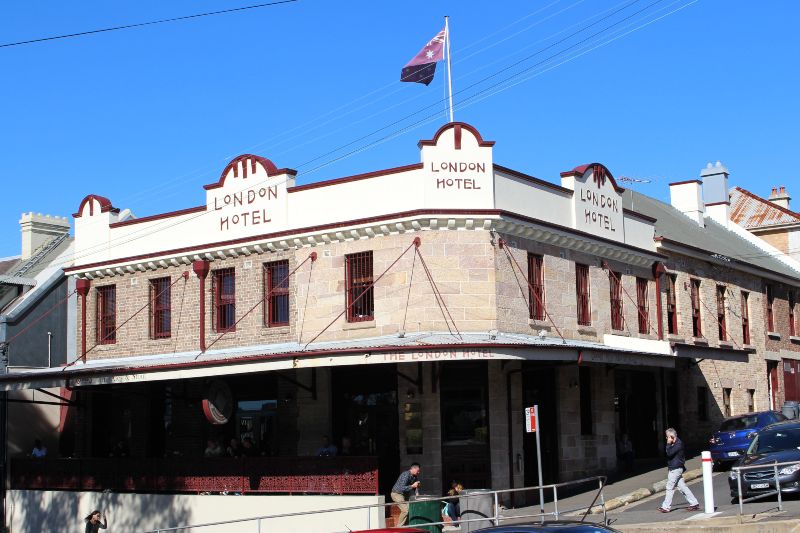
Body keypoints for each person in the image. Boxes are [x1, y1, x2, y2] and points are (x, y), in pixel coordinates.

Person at [658, 428, 699, 513]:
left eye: (667, 437)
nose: (666, 439)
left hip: (675, 468)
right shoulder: (676, 443)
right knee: (682, 487)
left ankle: (666, 507)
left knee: (669, 487)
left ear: (671, 436)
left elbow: (669, 453)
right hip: (675, 467)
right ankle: (694, 503)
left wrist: (668, 444)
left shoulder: (678, 444)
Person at [390, 462, 421, 526]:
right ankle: (399, 528)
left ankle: (406, 526)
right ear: (413, 469)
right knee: (405, 510)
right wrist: (412, 486)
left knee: (410, 509)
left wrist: (417, 494)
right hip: (397, 493)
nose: (418, 472)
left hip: (404, 495)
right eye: (418, 471)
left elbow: (416, 486)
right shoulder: (406, 474)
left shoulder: (414, 476)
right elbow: (401, 488)